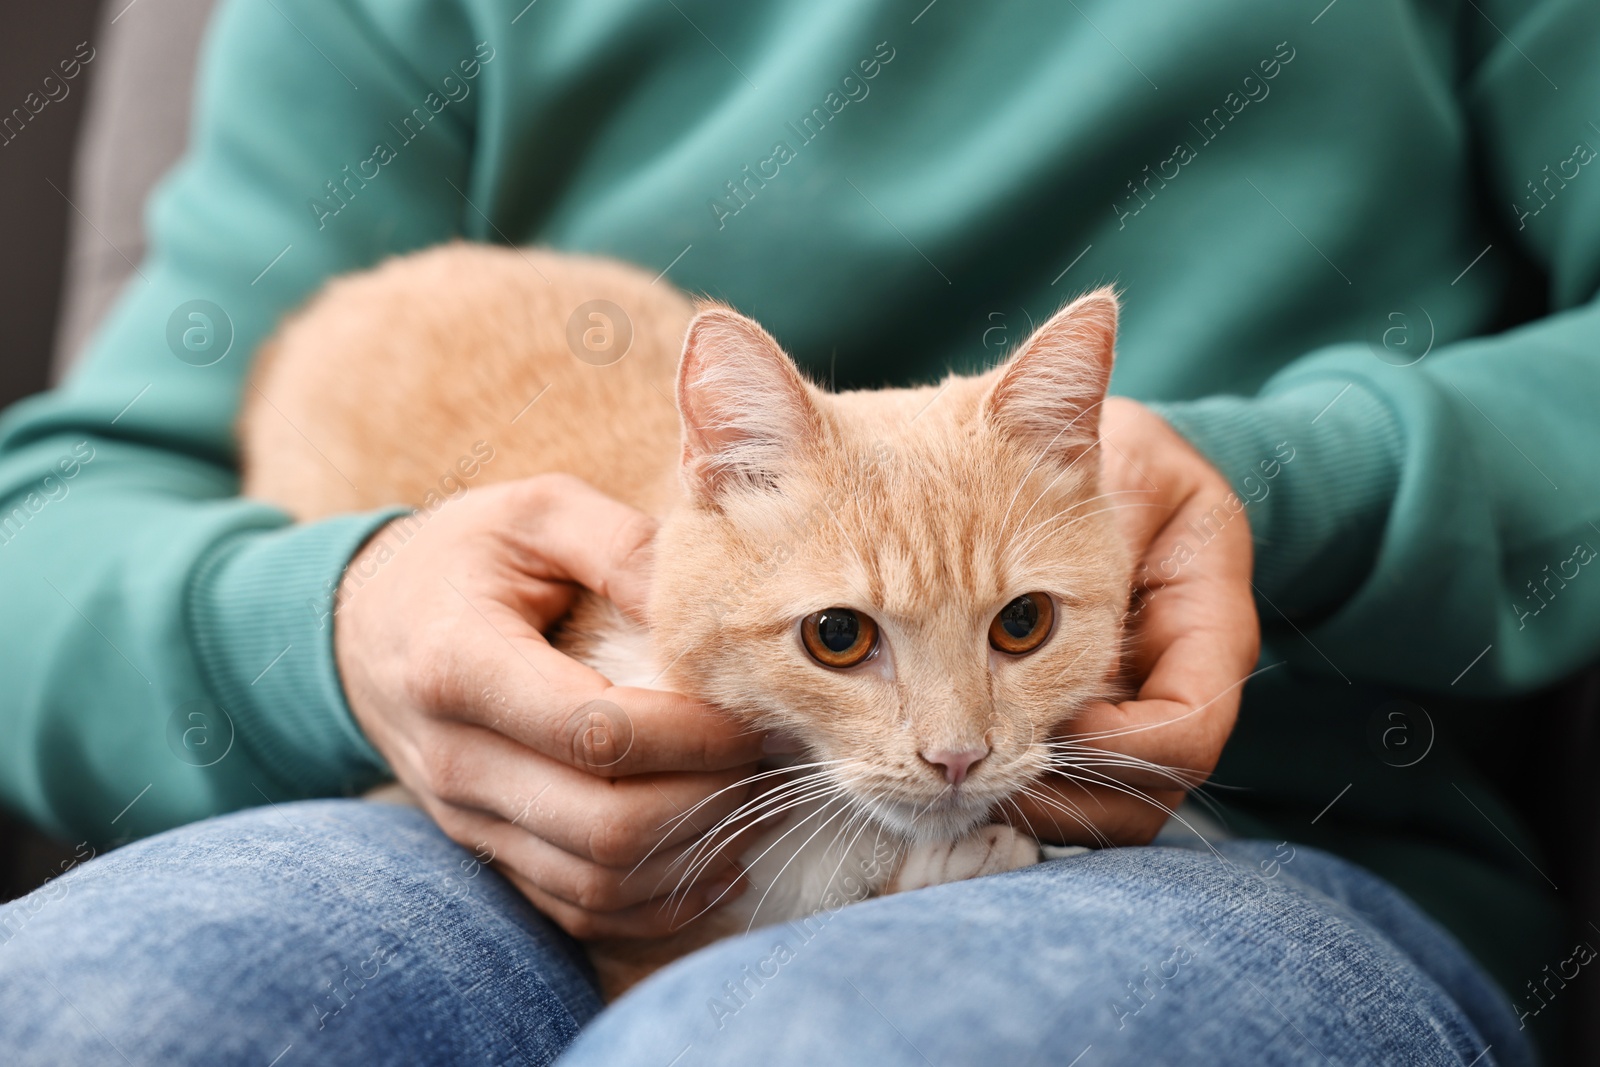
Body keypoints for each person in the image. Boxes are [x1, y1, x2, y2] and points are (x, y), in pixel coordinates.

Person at [0, 0, 1594, 1063]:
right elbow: (56, 520)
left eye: (1020, 627)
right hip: (468, 814)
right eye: (849, 636)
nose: (955, 743)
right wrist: (327, 627)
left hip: (1245, 833)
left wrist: (1286, 482)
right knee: (101, 1016)